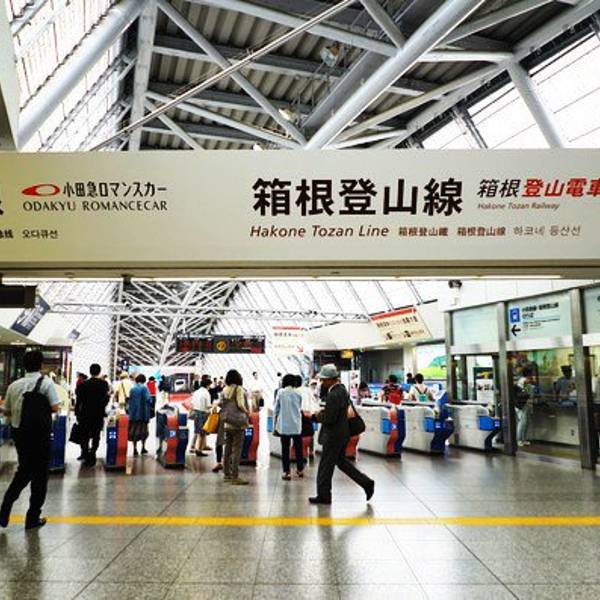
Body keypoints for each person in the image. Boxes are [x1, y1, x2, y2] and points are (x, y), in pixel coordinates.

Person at [0, 350, 60, 530]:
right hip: (40, 435)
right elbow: (55, 407)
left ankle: (5, 507)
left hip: (20, 433)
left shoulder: (14, 385)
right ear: (41, 365)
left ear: (24, 365)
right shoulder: (46, 383)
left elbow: (6, 411)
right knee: (40, 475)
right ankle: (32, 517)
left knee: (24, 470)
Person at [309, 364, 374, 505]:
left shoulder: (333, 394)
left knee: (325, 466)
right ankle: (366, 483)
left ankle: (324, 495)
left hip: (333, 435)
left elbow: (330, 418)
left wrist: (315, 416)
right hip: (343, 433)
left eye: (324, 380)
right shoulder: (342, 390)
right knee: (341, 462)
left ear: (331, 379)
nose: (322, 382)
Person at [75, 363, 110, 466]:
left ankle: (86, 454)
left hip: (85, 414)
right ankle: (93, 452)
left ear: (90, 372)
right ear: (99, 372)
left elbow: (79, 401)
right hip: (98, 414)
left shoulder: (83, 384)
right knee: (96, 435)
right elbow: (106, 398)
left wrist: (77, 413)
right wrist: (102, 406)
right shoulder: (104, 384)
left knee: (84, 435)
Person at [220, 370, 250, 485]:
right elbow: (241, 404)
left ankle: (226, 474)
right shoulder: (238, 389)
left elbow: (222, 404)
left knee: (227, 448)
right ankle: (235, 476)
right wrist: (247, 412)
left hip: (227, 422)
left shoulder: (225, 389)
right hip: (238, 423)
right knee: (237, 449)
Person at [274, 374, 305, 480]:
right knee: (298, 449)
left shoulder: (281, 392)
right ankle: (300, 470)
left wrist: (275, 425)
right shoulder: (298, 393)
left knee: (285, 450)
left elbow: (276, 409)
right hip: (296, 425)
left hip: (284, 426)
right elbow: (300, 407)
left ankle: (286, 472)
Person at [127, 374, 152, 456]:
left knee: (134, 432)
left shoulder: (132, 389)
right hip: (143, 414)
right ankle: (143, 448)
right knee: (143, 432)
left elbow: (130, 401)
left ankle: (135, 449)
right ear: (143, 380)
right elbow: (148, 399)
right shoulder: (144, 388)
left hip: (133, 414)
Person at [191, 376, 212, 456]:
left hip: (196, 413)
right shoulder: (206, 393)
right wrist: (214, 406)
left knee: (198, 432)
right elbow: (208, 406)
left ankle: (198, 447)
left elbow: (192, 403)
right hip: (203, 414)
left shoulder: (196, 392)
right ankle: (198, 449)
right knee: (202, 433)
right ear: (207, 385)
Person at [515, 369, 533, 447]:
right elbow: (523, 390)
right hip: (521, 405)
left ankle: (523, 439)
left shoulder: (524, 381)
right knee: (522, 422)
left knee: (526, 422)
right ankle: (519, 440)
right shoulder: (522, 381)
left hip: (525, 404)